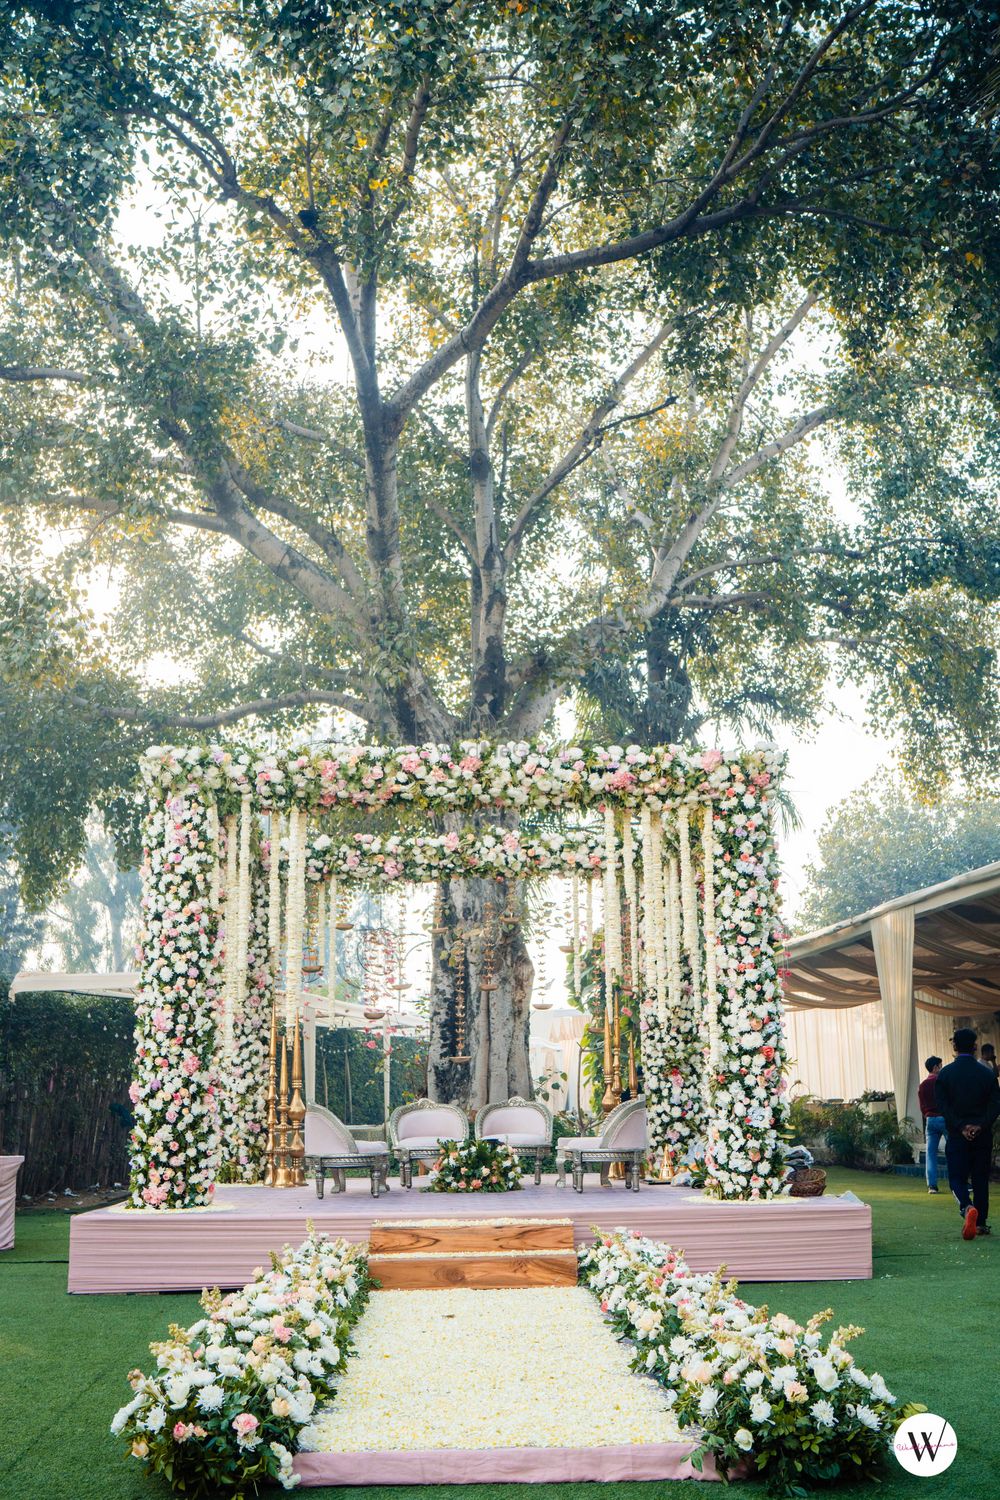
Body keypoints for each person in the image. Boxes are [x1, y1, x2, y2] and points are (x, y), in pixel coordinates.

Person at [934, 1028, 1000, 1239]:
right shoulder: (987, 1073)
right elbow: (995, 1104)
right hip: (982, 1135)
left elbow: (942, 1106)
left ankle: (966, 1207)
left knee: (956, 1178)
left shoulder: (945, 1074)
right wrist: (979, 1125)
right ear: (975, 1046)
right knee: (980, 1179)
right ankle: (980, 1223)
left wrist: (962, 1126)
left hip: (957, 1135)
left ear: (954, 1047)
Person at [918, 1056, 945, 1193]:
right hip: (944, 1118)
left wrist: (927, 1114)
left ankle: (932, 1185)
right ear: (935, 1067)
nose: (941, 1068)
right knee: (954, 1151)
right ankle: (959, 1181)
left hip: (930, 1119)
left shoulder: (923, 1085)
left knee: (930, 1153)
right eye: (940, 1066)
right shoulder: (941, 1082)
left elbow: (922, 1105)